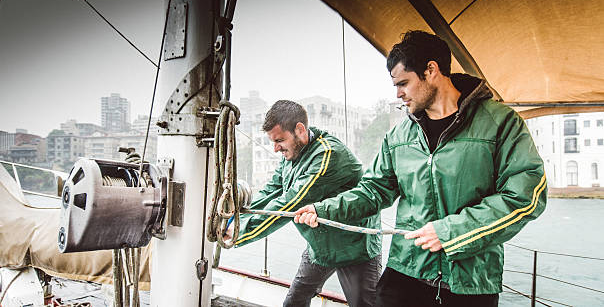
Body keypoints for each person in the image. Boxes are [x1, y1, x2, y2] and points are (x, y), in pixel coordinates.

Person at [294, 30, 547, 306]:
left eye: (403, 83)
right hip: (406, 269)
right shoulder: (398, 136)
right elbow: (372, 191)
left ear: (431, 70)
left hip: (470, 282)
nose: (399, 93)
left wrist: (451, 232)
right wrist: (323, 209)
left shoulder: (501, 123)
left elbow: (526, 197)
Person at [231, 100, 382, 307]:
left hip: (355, 250)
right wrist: (237, 216)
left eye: (280, 141)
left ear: (300, 130)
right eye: (273, 142)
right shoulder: (291, 153)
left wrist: (238, 233)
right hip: (320, 247)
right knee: (293, 303)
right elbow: (272, 190)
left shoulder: (328, 155)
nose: (275, 149)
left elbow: (289, 203)